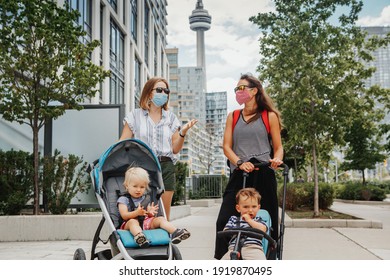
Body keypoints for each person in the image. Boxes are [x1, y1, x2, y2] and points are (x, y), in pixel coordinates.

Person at [214, 73, 284, 260]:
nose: (238, 92)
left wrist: (277, 159)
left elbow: (278, 147)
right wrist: (238, 162)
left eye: (241, 88)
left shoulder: (269, 116)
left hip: (263, 172)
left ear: (254, 91)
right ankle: (223, 258)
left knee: (269, 219)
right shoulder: (233, 116)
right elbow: (226, 146)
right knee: (223, 219)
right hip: (239, 172)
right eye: (236, 89)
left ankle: (269, 258)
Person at [119, 77, 197, 221]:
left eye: (166, 91)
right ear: (149, 93)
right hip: (141, 166)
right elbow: (122, 143)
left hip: (165, 166)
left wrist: (182, 133)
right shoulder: (135, 116)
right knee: (142, 208)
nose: (163, 93)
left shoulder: (171, 118)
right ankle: (141, 236)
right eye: (159, 90)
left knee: (163, 213)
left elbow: (175, 149)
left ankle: (166, 238)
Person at [117, 166, 191, 248]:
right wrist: (136, 213)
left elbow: (146, 216)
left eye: (142, 187)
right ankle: (139, 237)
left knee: (160, 219)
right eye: (135, 186)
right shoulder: (123, 200)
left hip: (145, 223)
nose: (138, 190)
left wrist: (150, 213)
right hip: (128, 225)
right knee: (133, 222)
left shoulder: (145, 198)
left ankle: (175, 232)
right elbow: (124, 215)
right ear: (127, 186)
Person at [221, 188, 268, 260]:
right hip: (233, 249)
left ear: (258, 208)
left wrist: (249, 220)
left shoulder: (258, 220)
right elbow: (226, 231)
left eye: (254, 206)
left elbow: (263, 229)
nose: (250, 210)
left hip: (253, 248)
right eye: (246, 207)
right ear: (238, 208)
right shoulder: (234, 219)